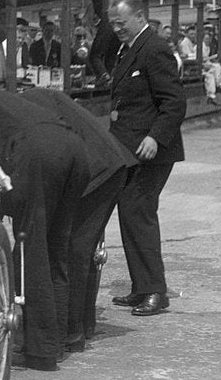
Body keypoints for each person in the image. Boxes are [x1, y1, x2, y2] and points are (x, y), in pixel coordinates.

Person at [0, 87, 89, 371]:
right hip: (74, 149)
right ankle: (55, 342)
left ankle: (41, 352)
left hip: (38, 150)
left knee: (31, 251)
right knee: (56, 250)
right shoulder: (9, 101)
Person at [21, 88, 137, 352]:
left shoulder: (20, 109)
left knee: (73, 251)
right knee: (80, 252)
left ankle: (71, 332)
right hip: (109, 164)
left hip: (99, 170)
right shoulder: (33, 100)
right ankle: (81, 325)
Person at [106, 0, 185, 317]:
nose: (117, 30)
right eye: (113, 25)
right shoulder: (130, 47)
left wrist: (155, 137)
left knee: (139, 212)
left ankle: (155, 291)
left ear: (139, 16)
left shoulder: (154, 48)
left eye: (121, 23)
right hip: (131, 149)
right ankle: (143, 288)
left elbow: (174, 101)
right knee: (131, 214)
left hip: (152, 151)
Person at [89, 0, 118, 86]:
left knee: (94, 55)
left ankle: (104, 75)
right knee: (111, 54)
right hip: (117, 26)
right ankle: (108, 77)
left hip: (107, 24)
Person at [200, 27, 221, 105]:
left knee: (218, 73)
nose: (208, 41)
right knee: (217, 67)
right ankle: (219, 86)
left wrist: (212, 58)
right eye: (206, 39)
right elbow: (201, 59)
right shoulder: (200, 46)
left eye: (209, 39)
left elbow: (206, 59)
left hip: (207, 66)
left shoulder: (207, 47)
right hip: (201, 67)